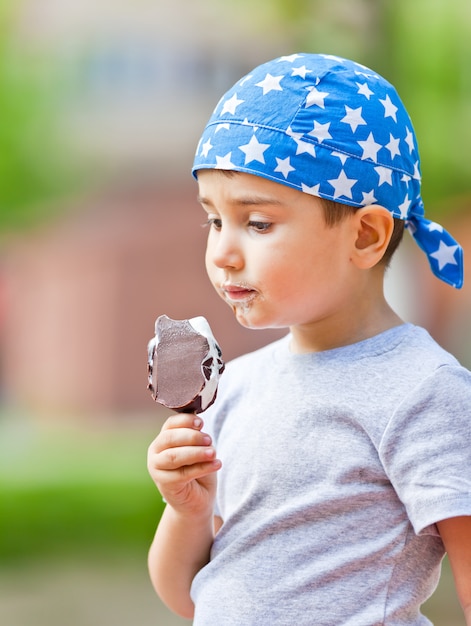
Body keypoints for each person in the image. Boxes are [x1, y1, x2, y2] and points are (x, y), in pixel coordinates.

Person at [147, 53, 471, 625]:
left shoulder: (424, 391)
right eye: (213, 221)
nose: (222, 251)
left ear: (366, 235)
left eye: (258, 223)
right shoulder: (236, 387)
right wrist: (188, 510)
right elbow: (190, 599)